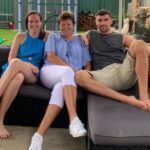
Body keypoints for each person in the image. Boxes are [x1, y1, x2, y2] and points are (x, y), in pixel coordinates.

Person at [28, 11, 91, 150]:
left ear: (73, 25)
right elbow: (51, 57)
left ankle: (38, 137)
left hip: (68, 80)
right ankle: (74, 119)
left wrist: (85, 74)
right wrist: (75, 73)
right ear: (59, 26)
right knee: (67, 72)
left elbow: (87, 63)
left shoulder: (81, 41)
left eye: (68, 24)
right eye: (62, 25)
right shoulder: (54, 37)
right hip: (49, 72)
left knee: (59, 91)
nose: (65, 27)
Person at [75, 9, 150, 112]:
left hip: (123, 71)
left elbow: (141, 48)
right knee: (79, 76)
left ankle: (144, 97)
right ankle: (127, 99)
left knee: (140, 43)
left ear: (111, 21)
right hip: (103, 76)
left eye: (106, 20)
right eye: (99, 20)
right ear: (95, 22)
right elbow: (72, 38)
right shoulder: (91, 34)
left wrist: (144, 49)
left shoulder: (121, 37)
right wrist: (80, 36)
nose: (102, 23)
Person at [0, 12, 49, 139]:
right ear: (27, 23)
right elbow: (11, 58)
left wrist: (84, 37)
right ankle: (0, 121)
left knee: (17, 63)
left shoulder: (47, 37)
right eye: (31, 21)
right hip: (15, 70)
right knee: (18, 77)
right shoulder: (20, 36)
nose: (34, 24)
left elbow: (66, 36)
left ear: (41, 22)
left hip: (33, 73)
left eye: (37, 21)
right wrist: (24, 65)